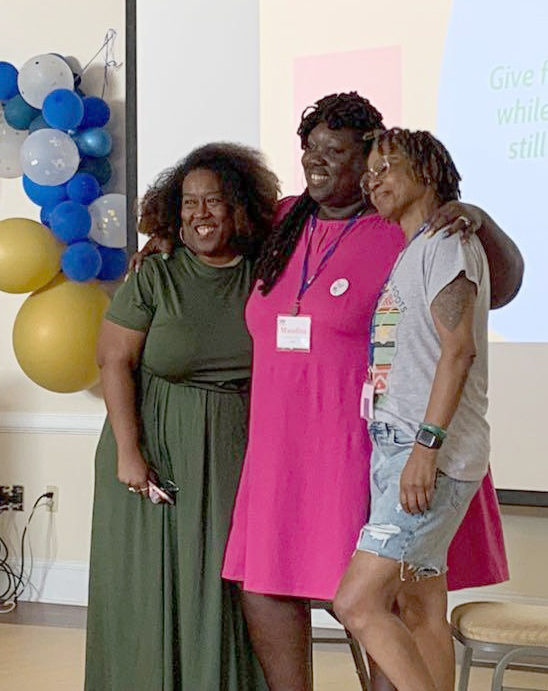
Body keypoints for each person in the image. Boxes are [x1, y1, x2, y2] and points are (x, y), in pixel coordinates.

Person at [132, 92, 521, 691]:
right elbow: (208, 228)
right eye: (309, 148)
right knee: (263, 587)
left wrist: (477, 216)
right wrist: (165, 240)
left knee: (380, 601)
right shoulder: (284, 218)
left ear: (369, 161)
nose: (316, 160)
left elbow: (500, 287)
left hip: (367, 441)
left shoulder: (404, 227)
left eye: (334, 151)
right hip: (281, 442)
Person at [84, 143, 279, 690]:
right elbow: (112, 359)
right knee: (152, 589)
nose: (200, 214)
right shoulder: (156, 273)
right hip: (153, 446)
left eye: (214, 201)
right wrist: (129, 452)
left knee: (222, 585)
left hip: (233, 447)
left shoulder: (266, 273)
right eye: (189, 203)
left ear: (239, 207)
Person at [334, 127, 491, 691]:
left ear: (427, 173)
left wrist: (425, 449)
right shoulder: (416, 250)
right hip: (396, 447)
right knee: (421, 604)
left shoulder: (448, 242)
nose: (372, 180)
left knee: (356, 601)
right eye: (369, 171)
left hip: (424, 453)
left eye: (387, 167)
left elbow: (459, 350)